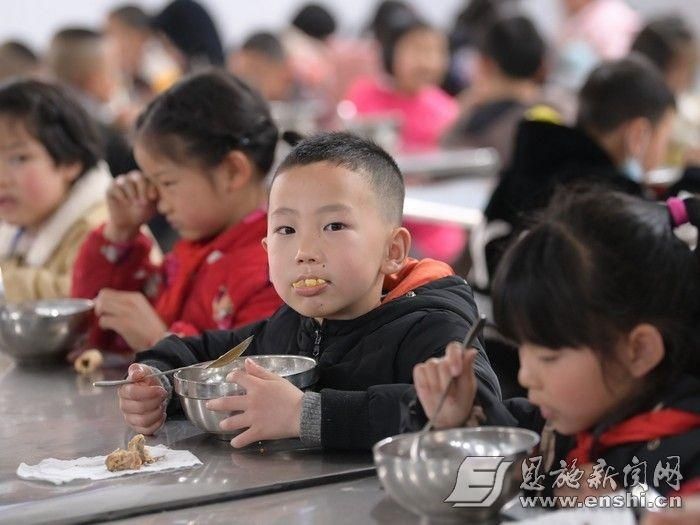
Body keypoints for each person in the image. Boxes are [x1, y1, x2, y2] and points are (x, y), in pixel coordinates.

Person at [116, 132, 501, 450]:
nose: (305, 253)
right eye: (286, 230)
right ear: (267, 250)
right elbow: (202, 353)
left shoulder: (431, 326)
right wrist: (158, 383)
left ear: (392, 251)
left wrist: (304, 414)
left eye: (333, 226)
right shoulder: (289, 326)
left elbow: (474, 409)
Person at [407, 189, 700, 497]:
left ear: (639, 351)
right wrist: (458, 423)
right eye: (523, 348)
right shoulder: (559, 424)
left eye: (548, 357)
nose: (524, 376)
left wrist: (628, 512)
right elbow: (489, 477)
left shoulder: (685, 457)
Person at [71, 70, 283, 354]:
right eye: (151, 183)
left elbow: (257, 377)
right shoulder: (192, 250)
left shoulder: (277, 271)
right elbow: (96, 332)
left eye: (167, 182)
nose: (159, 202)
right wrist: (120, 236)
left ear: (233, 171)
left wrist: (161, 342)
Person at [473, 55, 676, 293]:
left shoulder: (535, 156)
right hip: (545, 325)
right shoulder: (614, 199)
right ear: (638, 133)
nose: (667, 149)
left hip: (487, 311)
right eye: (665, 137)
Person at [0, 80, 111, 301]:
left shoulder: (107, 229)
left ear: (70, 161)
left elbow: (85, 298)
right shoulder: (20, 224)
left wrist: (5, 284)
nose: (1, 178)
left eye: (19, 158)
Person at [443, 14, 546, 165]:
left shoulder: (476, 118)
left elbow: (444, 153)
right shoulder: (560, 106)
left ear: (486, 63)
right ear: (541, 64)